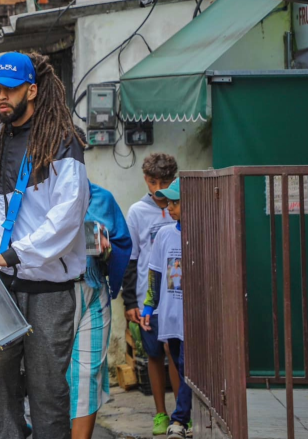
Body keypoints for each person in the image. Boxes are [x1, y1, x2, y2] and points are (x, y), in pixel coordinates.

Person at [0, 51, 90, 439]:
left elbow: (66, 218)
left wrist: (11, 256)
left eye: (11, 89)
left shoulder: (63, 140)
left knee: (47, 390)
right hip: (2, 283)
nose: (2, 96)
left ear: (31, 90)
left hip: (48, 287)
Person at [122, 153, 181, 436]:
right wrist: (130, 302)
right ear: (145, 180)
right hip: (150, 298)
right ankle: (161, 413)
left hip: (178, 298)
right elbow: (131, 259)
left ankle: (182, 415)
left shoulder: (181, 207)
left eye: (166, 182)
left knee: (177, 353)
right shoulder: (136, 212)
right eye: (153, 182)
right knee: (155, 354)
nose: (159, 188)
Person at [69, 183, 132, 439]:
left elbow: (120, 243)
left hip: (93, 287)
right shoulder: (39, 192)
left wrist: (105, 249)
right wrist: (89, 233)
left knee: (87, 373)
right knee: (55, 375)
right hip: (51, 292)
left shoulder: (102, 197)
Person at [139, 178, 190, 439]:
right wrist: (149, 307)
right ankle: (182, 418)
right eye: (169, 202)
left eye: (176, 202)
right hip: (171, 317)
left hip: (194, 319)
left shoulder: (204, 234)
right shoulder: (164, 235)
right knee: (181, 366)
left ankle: (180, 419)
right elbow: (155, 273)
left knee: (188, 367)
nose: (170, 207)